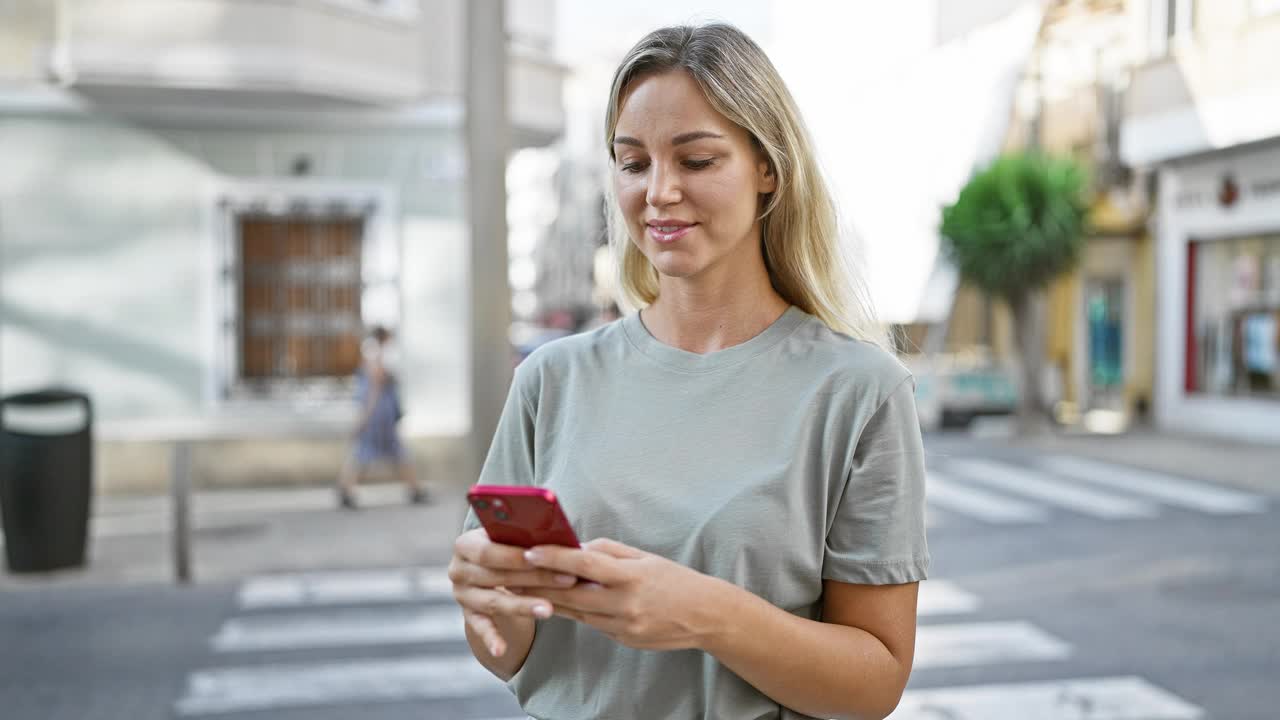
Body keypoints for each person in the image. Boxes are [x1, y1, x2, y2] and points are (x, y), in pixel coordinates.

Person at [449, 23, 928, 720]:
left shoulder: (859, 393)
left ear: (769, 167)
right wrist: (487, 595)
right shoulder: (551, 381)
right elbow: (507, 653)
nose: (659, 192)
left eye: (696, 160)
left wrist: (707, 615)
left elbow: (875, 684)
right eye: (633, 162)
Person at [337, 326, 428, 509]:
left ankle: (414, 489)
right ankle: (347, 488)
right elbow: (375, 388)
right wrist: (365, 416)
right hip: (378, 414)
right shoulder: (375, 356)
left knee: (387, 451)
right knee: (371, 450)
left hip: (378, 413)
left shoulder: (375, 355)